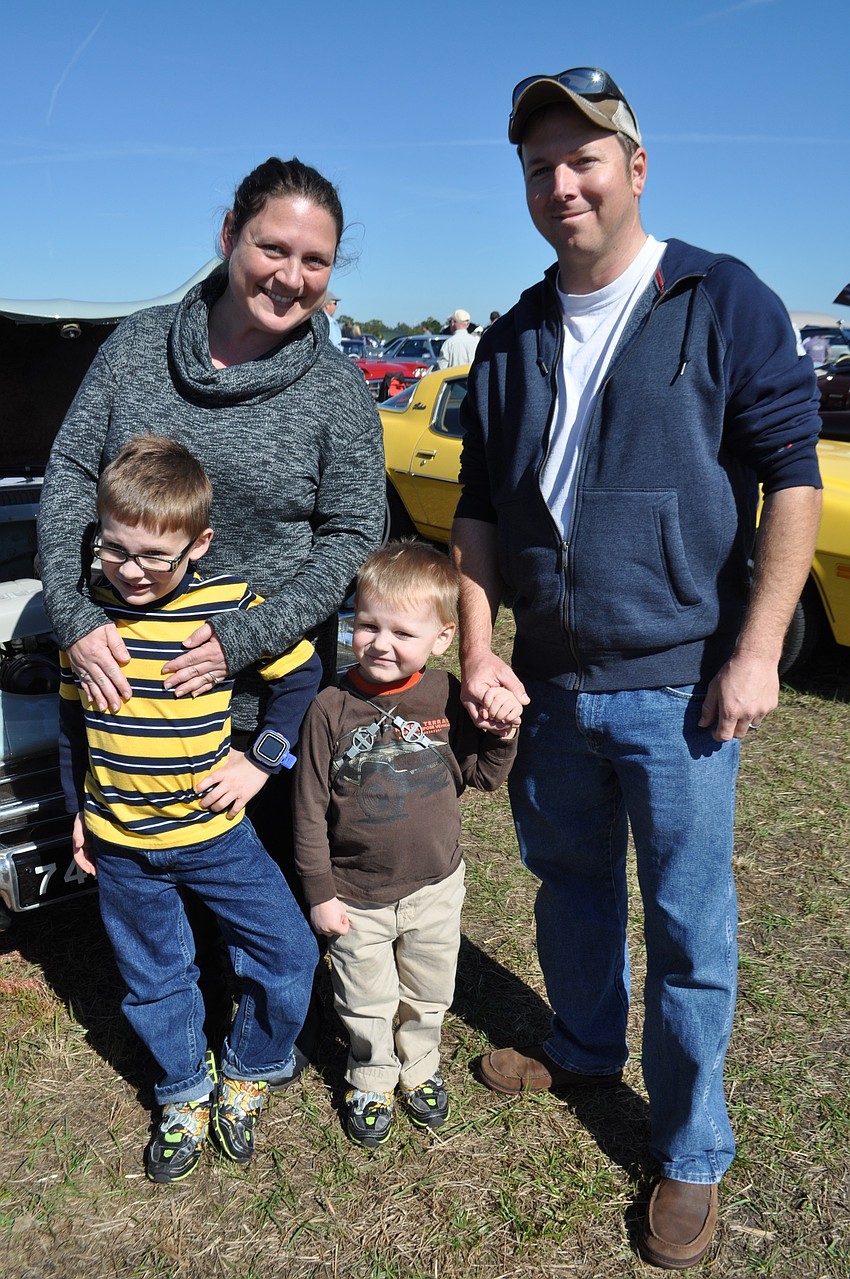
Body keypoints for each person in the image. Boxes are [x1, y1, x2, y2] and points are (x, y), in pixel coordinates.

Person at [451, 66, 822, 1269]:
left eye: (583, 159)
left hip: (682, 689)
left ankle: (691, 1146)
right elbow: (476, 514)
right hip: (551, 685)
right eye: (538, 167)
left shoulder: (720, 297)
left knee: (686, 924)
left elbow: (794, 480)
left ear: (635, 166)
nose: (560, 184)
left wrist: (756, 649)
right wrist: (478, 646)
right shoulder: (510, 337)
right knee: (566, 885)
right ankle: (580, 1044)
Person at [37, 156, 385, 1023]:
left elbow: (353, 533)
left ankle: (261, 1040)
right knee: (160, 902)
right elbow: (71, 470)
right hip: (137, 684)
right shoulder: (138, 347)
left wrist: (242, 640)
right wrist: (74, 612)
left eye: (315, 260)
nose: (292, 276)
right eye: (273, 248)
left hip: (267, 692)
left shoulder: (336, 390)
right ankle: (179, 1040)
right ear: (229, 234)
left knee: (261, 890)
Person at [59, 436, 322, 1183]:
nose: (131, 570)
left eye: (155, 556)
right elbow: (73, 721)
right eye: (115, 549)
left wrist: (260, 761)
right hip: (121, 843)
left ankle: (251, 1066)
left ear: (199, 544)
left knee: (289, 953)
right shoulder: (83, 615)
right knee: (155, 977)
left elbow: (301, 676)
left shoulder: (230, 604)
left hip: (217, 834)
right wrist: (79, 809)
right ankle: (182, 1089)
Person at [292, 542, 521, 1147]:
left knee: (429, 989)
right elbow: (308, 811)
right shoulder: (329, 709)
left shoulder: (447, 696)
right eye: (368, 625)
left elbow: (483, 777)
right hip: (355, 896)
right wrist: (319, 893)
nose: (380, 643)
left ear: (442, 638)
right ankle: (371, 1075)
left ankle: (418, 1065)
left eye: (402, 632)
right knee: (363, 996)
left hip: (436, 887)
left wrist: (502, 734)